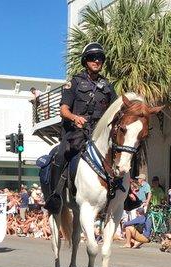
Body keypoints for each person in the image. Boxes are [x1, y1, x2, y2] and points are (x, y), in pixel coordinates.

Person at [45, 42, 117, 213]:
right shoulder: (75, 82)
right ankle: (55, 196)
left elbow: (115, 109)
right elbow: (63, 109)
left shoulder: (108, 86)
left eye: (99, 58)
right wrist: (74, 117)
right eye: (92, 58)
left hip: (99, 133)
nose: (96, 61)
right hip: (76, 132)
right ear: (86, 61)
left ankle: (126, 195)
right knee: (61, 154)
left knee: (121, 154)